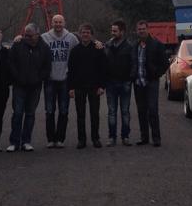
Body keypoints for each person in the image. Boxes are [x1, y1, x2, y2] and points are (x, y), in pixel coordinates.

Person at [7, 23, 52, 152]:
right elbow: (11, 62)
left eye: (30, 36)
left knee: (30, 114)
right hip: (19, 85)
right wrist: (17, 77)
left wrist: (38, 78)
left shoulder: (44, 48)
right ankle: (14, 142)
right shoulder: (17, 45)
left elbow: (47, 67)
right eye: (26, 35)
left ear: (37, 35)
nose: (27, 38)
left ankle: (26, 141)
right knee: (17, 113)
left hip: (35, 86)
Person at [41, 14, 79, 148]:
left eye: (60, 22)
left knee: (64, 110)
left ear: (64, 23)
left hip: (65, 79)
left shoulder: (72, 38)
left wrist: (97, 43)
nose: (58, 24)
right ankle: (51, 139)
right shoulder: (44, 37)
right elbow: (31, 44)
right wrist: (19, 38)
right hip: (50, 79)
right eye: (55, 22)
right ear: (52, 23)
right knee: (49, 110)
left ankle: (60, 138)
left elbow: (82, 48)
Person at [67, 23, 107, 149]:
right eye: (83, 32)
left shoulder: (98, 49)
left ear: (91, 35)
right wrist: (71, 88)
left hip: (94, 87)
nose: (85, 34)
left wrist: (102, 86)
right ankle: (81, 140)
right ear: (80, 34)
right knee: (80, 115)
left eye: (87, 32)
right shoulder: (75, 51)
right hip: (79, 87)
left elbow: (103, 69)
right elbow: (71, 71)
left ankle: (95, 138)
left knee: (95, 114)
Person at [132, 20, 168, 146]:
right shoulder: (135, 46)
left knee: (152, 110)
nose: (141, 31)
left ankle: (156, 138)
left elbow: (165, 64)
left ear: (148, 29)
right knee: (141, 111)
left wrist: (156, 74)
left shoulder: (156, 45)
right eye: (139, 29)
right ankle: (144, 138)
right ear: (136, 31)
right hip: (138, 83)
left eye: (143, 29)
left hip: (151, 82)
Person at [103, 19, 135, 147]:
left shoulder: (129, 47)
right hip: (110, 83)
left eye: (115, 31)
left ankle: (125, 136)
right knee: (111, 111)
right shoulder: (107, 45)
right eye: (112, 30)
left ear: (122, 32)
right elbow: (104, 62)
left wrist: (130, 79)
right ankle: (112, 137)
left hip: (125, 83)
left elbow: (133, 64)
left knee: (125, 111)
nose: (113, 33)